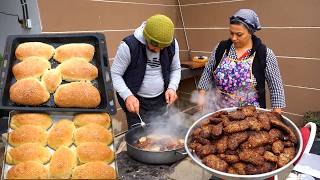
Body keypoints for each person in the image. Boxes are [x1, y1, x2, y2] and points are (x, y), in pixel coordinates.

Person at [197, 9, 285, 113]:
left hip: (250, 117)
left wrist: (276, 116)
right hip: (219, 112)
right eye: (231, 33)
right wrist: (201, 95)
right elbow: (208, 71)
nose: (233, 38)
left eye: (239, 34)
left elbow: (276, 88)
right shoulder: (221, 48)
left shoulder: (265, 54)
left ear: (250, 33)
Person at [111, 14, 181, 129]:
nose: (157, 50)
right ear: (146, 36)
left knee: (162, 136)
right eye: (154, 46)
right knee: (138, 139)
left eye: (162, 48)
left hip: (161, 100)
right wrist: (127, 96)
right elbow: (115, 73)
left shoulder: (173, 44)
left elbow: (175, 68)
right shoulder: (129, 45)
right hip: (137, 101)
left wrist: (172, 87)